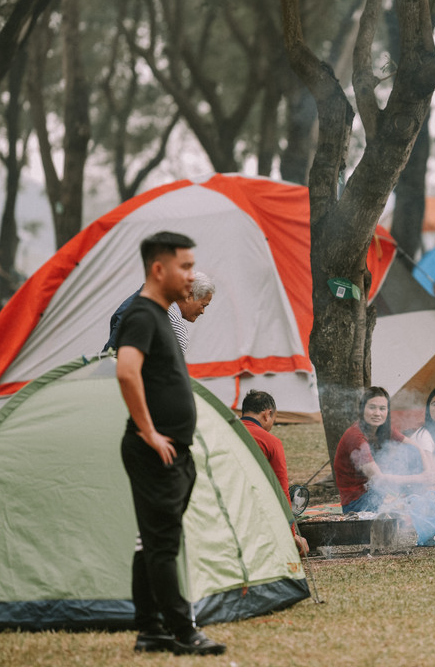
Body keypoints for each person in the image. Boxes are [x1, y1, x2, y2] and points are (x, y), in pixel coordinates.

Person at [114, 231, 225, 657]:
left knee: (151, 541)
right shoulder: (142, 314)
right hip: (153, 449)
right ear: (159, 269)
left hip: (175, 450)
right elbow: (127, 372)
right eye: (184, 266)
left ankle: (150, 629)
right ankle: (183, 630)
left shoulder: (163, 314)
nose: (190, 275)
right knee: (163, 544)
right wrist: (148, 432)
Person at [333, 387, 435, 513]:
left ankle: (421, 498)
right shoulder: (355, 437)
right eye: (372, 407)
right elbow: (378, 479)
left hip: (376, 491)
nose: (377, 413)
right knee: (405, 506)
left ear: (387, 411)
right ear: (362, 409)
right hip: (357, 502)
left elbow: (416, 447)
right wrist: (419, 478)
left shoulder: (383, 429)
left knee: (409, 451)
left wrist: (428, 476)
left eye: (382, 409)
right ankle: (412, 503)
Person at [239, 390, 309, 556]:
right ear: (267, 414)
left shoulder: (223, 433)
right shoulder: (270, 441)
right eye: (274, 420)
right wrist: (290, 534)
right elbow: (281, 490)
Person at [104, 274, 215, 354]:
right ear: (188, 295)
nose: (202, 311)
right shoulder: (176, 328)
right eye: (203, 305)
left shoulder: (139, 300)